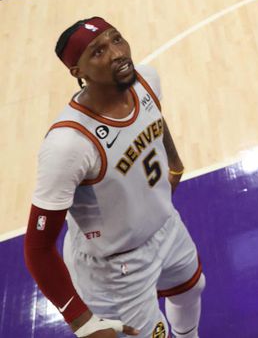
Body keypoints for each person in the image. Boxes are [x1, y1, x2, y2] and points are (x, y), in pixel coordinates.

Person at [25, 19, 205, 338]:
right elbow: (37, 248)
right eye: (98, 51)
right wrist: (82, 321)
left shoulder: (146, 80)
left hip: (166, 227)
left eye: (117, 40)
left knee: (191, 289)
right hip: (115, 268)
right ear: (77, 72)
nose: (117, 53)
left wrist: (174, 164)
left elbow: (155, 120)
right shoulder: (68, 144)